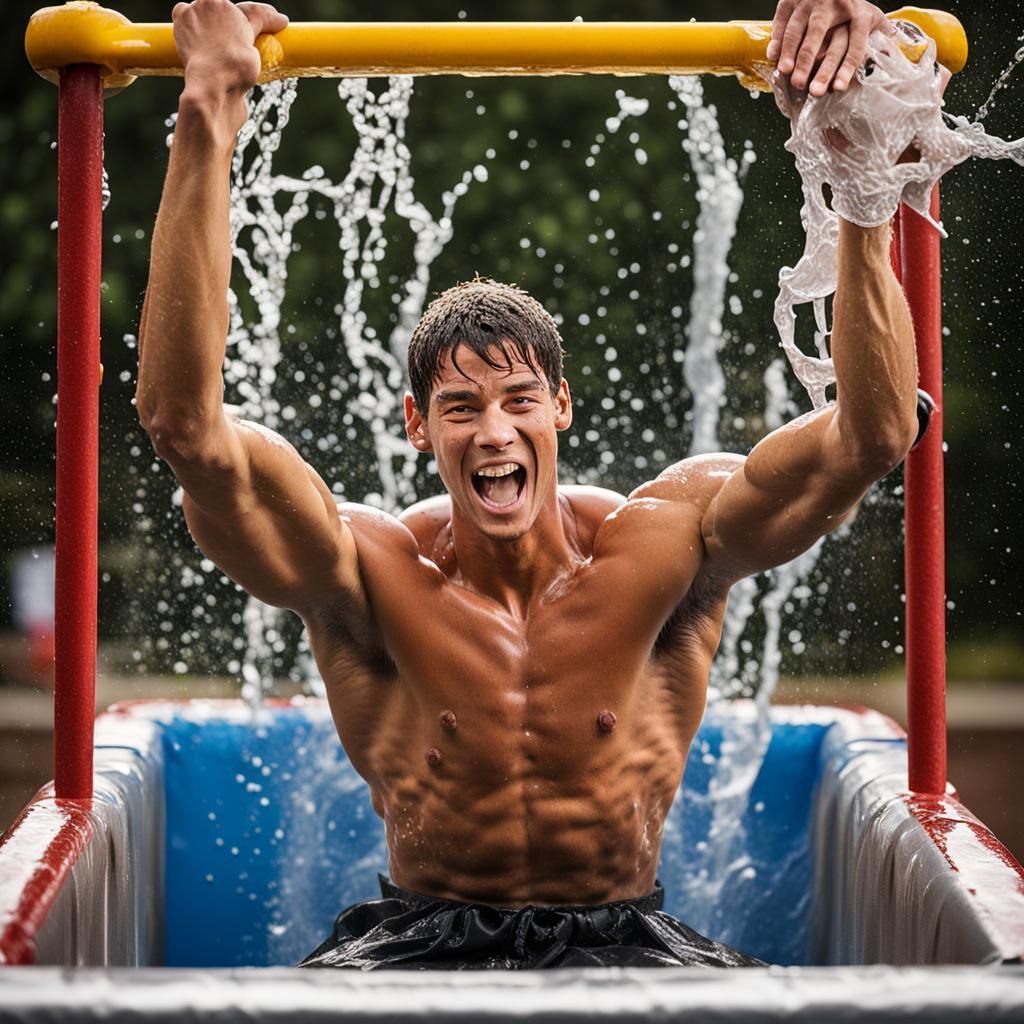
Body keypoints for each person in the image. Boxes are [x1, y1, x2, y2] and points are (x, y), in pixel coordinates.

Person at [138, 0, 918, 969]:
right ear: (419, 427)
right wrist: (207, 106)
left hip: (629, 938)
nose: (494, 431)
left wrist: (861, 179)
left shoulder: (666, 543)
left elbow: (873, 433)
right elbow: (186, 429)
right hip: (416, 941)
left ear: (561, 408)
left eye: (517, 400)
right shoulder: (368, 574)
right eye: (461, 408)